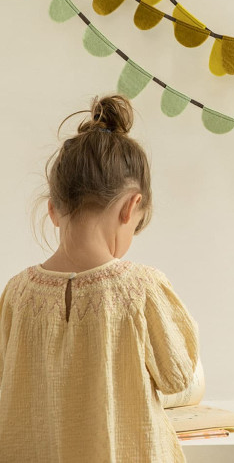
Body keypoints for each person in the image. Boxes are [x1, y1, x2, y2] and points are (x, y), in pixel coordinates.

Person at [0, 94, 199, 462]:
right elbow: (178, 376)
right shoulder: (141, 289)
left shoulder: (16, 294)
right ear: (130, 207)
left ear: (54, 210)